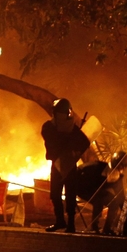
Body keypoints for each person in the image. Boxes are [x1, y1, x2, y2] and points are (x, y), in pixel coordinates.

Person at [42, 98, 90, 233]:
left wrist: (74, 149)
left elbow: (84, 143)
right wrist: (69, 143)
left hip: (68, 165)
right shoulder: (50, 127)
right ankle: (60, 221)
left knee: (70, 195)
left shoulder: (72, 129)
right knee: (55, 195)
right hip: (58, 164)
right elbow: (50, 140)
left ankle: (70, 224)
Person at [78, 151, 127, 235]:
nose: (122, 168)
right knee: (98, 200)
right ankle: (94, 227)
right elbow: (79, 169)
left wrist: (126, 210)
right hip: (83, 188)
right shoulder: (96, 167)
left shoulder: (118, 177)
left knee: (114, 203)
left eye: (123, 166)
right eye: (121, 165)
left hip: (98, 192)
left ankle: (107, 228)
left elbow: (120, 197)